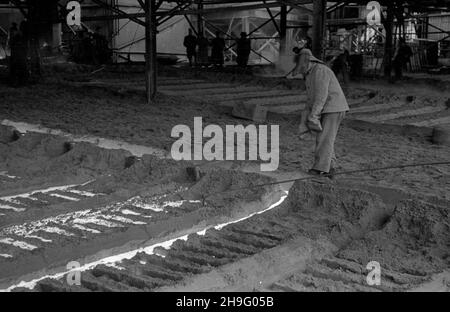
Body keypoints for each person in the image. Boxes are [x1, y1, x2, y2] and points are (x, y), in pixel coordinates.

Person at [292, 48, 349, 177]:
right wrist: (305, 117)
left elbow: (321, 96)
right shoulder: (310, 74)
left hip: (333, 108)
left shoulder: (320, 71)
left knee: (324, 139)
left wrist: (313, 115)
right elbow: (311, 98)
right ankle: (331, 167)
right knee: (325, 139)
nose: (300, 70)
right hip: (328, 108)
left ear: (307, 62)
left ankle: (320, 169)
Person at [9, 21, 29, 87]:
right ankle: (19, 82)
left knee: (17, 69)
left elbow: (12, 43)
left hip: (18, 55)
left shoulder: (20, 35)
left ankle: (18, 82)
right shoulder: (20, 35)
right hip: (19, 55)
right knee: (20, 69)